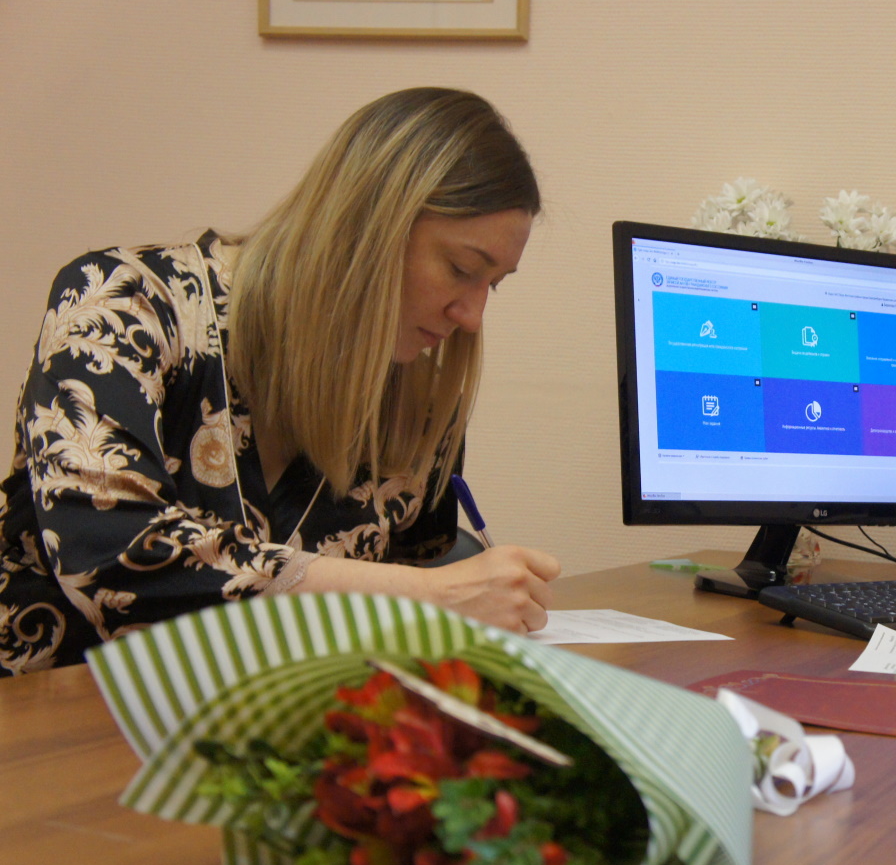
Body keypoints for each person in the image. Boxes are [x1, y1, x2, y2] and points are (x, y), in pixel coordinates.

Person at [0, 87, 560, 677]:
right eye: (461, 269)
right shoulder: (124, 303)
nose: (471, 316)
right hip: (56, 710)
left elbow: (419, 565)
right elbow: (103, 549)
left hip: (273, 719)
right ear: (364, 224)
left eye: (493, 284)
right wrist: (425, 597)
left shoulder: (419, 398)